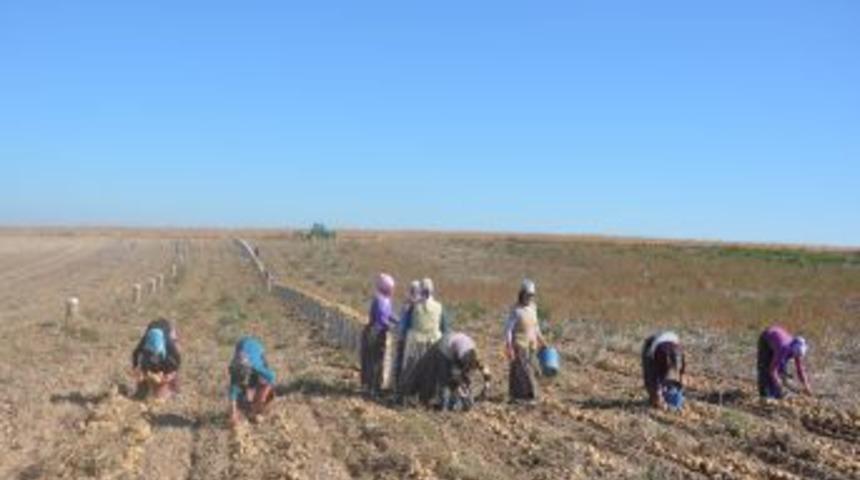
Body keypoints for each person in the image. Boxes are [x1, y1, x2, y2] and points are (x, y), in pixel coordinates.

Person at [400, 331, 491, 410]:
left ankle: (453, 401)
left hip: (456, 341)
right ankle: (444, 405)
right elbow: (455, 377)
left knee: (461, 380)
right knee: (445, 379)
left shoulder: (476, 357)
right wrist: (462, 392)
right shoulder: (460, 358)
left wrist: (486, 386)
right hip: (445, 348)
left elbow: (486, 372)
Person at [399, 278, 448, 391]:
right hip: (433, 344)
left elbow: (405, 325)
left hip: (416, 344)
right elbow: (444, 328)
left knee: (411, 369)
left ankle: (407, 392)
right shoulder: (439, 307)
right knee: (430, 370)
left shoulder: (414, 306)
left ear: (420, 290)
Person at [504, 279, 546, 402]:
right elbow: (508, 330)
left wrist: (542, 340)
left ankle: (517, 396)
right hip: (519, 344)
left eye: (532, 295)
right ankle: (530, 396)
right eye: (528, 295)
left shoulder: (533, 308)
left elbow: (536, 326)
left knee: (525, 369)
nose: (530, 298)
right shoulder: (516, 310)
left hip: (531, 344)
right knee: (523, 370)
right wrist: (509, 347)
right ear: (522, 294)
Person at [360, 273, 397, 398]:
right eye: (391, 288)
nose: (393, 291)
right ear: (385, 288)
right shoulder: (380, 300)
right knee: (374, 362)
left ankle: (373, 387)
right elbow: (382, 319)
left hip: (379, 332)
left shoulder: (386, 300)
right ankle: (372, 388)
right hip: (375, 333)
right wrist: (392, 327)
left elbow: (390, 315)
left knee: (377, 361)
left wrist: (398, 321)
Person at [228, 336, 276, 426]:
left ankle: (259, 410)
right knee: (242, 391)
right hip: (241, 345)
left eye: (243, 376)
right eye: (239, 377)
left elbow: (272, 377)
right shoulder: (235, 372)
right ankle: (250, 407)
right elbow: (232, 395)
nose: (240, 378)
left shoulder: (256, 366)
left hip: (257, 348)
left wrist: (261, 398)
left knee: (263, 382)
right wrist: (233, 414)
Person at [131, 318, 181, 400]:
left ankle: (175, 391)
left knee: (170, 368)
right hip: (151, 338)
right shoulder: (145, 342)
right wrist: (135, 367)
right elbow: (136, 353)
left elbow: (177, 357)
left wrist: (172, 372)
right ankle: (141, 392)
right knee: (145, 368)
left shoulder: (168, 343)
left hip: (166, 329)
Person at [757, 325, 811, 399]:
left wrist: (806, 385)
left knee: (781, 370)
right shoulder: (783, 349)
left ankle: (778, 393)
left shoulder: (796, 349)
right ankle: (765, 394)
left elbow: (800, 369)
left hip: (778, 341)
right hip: (766, 340)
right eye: (795, 355)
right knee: (765, 368)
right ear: (793, 350)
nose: (796, 357)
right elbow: (772, 370)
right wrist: (778, 384)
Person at [389, 280, 421, 392]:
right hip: (410, 339)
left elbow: (402, 322)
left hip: (403, 337)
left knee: (399, 362)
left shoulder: (407, 304)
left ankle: (397, 386)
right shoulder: (417, 306)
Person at [641, 331, 686, 409]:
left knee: (671, 381)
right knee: (651, 383)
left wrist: (681, 385)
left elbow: (682, 371)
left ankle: (667, 393)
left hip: (671, 340)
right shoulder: (658, 359)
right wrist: (657, 394)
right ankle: (654, 399)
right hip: (652, 343)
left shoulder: (679, 356)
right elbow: (652, 376)